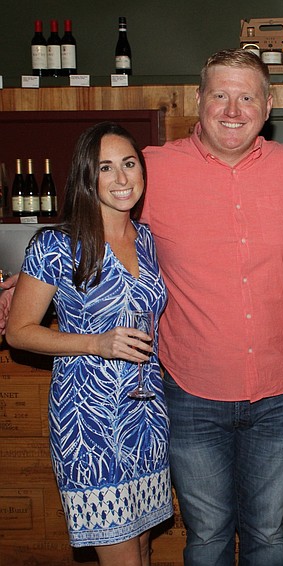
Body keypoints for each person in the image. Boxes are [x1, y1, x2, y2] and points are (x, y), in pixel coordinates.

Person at [140, 49, 283, 565]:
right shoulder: (153, 169)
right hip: (193, 390)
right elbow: (93, 227)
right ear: (199, 101)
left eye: (246, 96)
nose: (233, 109)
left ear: (268, 105)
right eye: (220, 95)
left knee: (267, 534)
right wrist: (33, 279)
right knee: (210, 535)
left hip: (278, 390)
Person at [5, 122, 171, 566]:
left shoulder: (150, 240)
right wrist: (96, 342)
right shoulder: (56, 245)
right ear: (87, 176)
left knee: (141, 547)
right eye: (106, 167)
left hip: (146, 416)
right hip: (88, 423)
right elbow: (19, 331)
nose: (121, 178)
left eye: (129, 164)